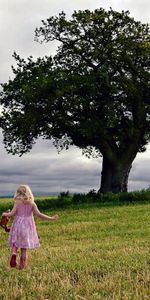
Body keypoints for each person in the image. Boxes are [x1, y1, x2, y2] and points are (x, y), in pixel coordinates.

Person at [2, 184, 59, 270]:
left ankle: (14, 254)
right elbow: (39, 215)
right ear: (29, 193)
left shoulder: (17, 202)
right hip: (27, 227)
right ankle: (21, 266)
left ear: (17, 193)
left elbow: (12, 214)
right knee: (24, 248)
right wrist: (51, 218)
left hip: (18, 225)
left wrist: (4, 214)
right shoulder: (32, 203)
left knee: (15, 242)